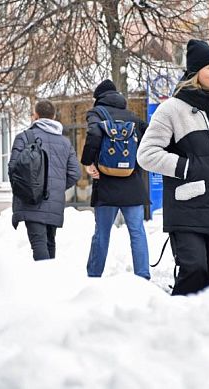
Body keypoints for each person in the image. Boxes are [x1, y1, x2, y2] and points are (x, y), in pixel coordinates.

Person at [137, 39, 209, 295]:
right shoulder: (172, 110)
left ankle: (207, 330)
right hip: (187, 210)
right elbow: (146, 154)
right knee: (194, 269)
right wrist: (187, 168)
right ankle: (177, 323)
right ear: (195, 72)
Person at [81, 79, 151, 279]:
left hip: (106, 183)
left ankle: (94, 275)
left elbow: (94, 133)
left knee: (102, 233)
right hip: (133, 183)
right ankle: (143, 275)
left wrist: (88, 161)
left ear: (98, 98)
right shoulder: (132, 117)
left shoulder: (96, 114)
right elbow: (149, 140)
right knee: (137, 231)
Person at [9, 99, 80, 260]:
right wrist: (56, 187)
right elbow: (75, 173)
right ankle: (51, 280)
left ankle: (45, 281)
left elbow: (13, 168)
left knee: (39, 244)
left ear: (36, 115)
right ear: (54, 116)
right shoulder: (65, 142)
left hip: (30, 199)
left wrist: (26, 187)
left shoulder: (24, 137)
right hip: (53, 201)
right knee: (49, 242)